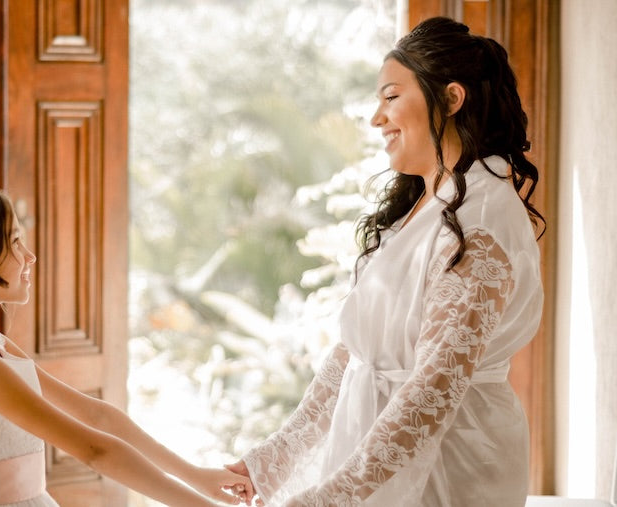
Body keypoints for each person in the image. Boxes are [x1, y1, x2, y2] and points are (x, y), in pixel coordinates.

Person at [226, 16, 545, 507]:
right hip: (376, 461)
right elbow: (355, 354)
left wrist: (326, 499)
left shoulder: (480, 216)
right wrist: (271, 461)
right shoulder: (427, 203)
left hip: (447, 471)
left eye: (391, 97)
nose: (377, 118)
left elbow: (432, 390)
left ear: (451, 99)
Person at [0, 173, 253, 506]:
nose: (29, 256)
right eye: (14, 242)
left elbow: (97, 415)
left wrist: (196, 475)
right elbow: (95, 450)